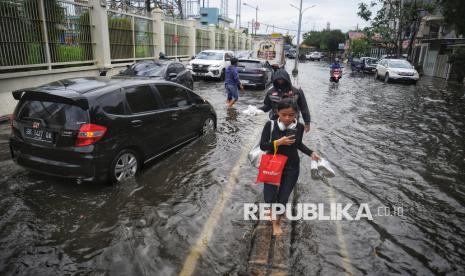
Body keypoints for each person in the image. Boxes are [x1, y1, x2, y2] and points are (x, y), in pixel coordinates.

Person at [259, 98, 320, 235]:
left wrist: (311, 153)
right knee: (269, 196)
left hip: (291, 167)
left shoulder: (299, 127)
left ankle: (276, 223)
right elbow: (263, 146)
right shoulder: (271, 125)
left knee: (283, 198)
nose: (287, 118)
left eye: (291, 115)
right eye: (284, 114)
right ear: (277, 112)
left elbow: (298, 144)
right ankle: (270, 209)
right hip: (272, 165)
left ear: (296, 114)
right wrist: (278, 142)